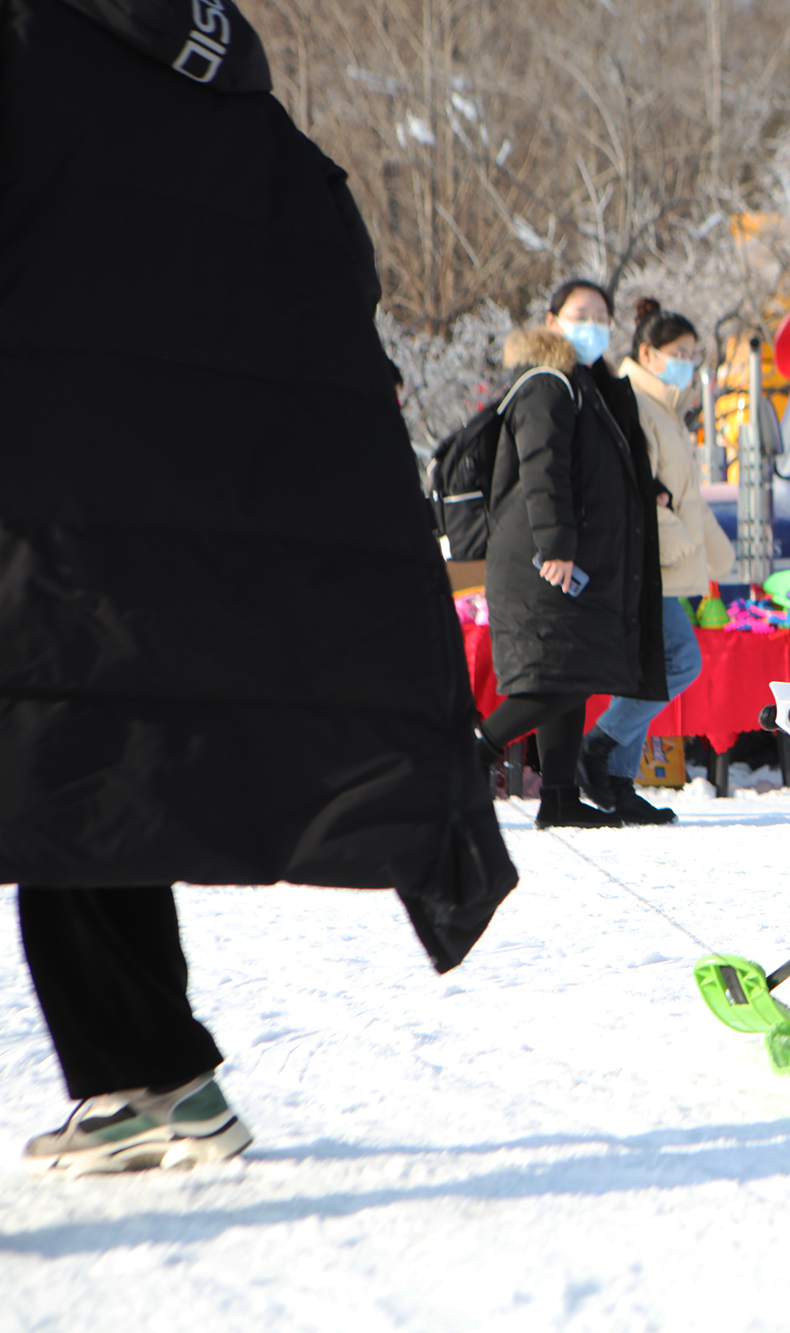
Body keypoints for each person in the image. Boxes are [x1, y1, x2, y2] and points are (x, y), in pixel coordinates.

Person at [2, 0, 517, 1174]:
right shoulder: (235, 95)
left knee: (60, 751)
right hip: (166, 500)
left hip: (55, 486)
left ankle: (147, 1069)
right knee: (78, 759)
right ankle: (150, 1075)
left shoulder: (31, 45)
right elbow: (336, 284)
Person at [478, 281, 666, 829]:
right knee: (556, 678)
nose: (594, 324)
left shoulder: (588, 382)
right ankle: (471, 753)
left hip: (575, 559)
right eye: (581, 314)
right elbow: (543, 466)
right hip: (544, 559)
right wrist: (555, 545)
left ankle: (559, 799)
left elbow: (593, 460)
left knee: (569, 672)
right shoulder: (546, 382)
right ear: (551, 320)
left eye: (602, 315)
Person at [575, 300, 734, 824]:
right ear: (647, 353)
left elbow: (681, 496)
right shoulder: (638, 403)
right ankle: (598, 748)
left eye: (693, 353)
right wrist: (680, 544)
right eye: (678, 353)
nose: (688, 362)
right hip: (650, 562)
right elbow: (640, 492)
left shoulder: (665, 406)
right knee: (680, 661)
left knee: (651, 670)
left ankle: (618, 781)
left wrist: (715, 551)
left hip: (667, 558)